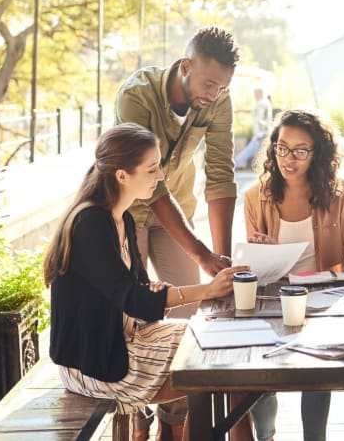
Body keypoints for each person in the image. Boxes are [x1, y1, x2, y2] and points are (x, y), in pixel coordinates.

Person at [43, 123, 248, 441]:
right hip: (95, 362)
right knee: (209, 364)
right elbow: (131, 297)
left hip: (123, 339)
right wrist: (206, 289)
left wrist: (151, 291)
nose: (160, 176)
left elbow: (137, 293)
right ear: (122, 175)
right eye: (152, 169)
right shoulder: (91, 223)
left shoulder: (121, 217)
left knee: (217, 347)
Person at [115, 25, 240, 437]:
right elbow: (152, 186)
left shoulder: (218, 101)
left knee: (188, 318)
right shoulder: (137, 96)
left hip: (176, 216)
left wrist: (224, 272)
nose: (213, 94)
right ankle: (136, 415)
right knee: (131, 314)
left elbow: (220, 176)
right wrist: (203, 254)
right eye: (208, 83)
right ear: (185, 66)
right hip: (128, 213)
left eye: (222, 87)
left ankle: (174, 425)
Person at [244, 109, 344, 441]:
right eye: (282, 147)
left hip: (321, 298)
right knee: (261, 368)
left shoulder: (339, 193)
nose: (289, 158)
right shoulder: (255, 196)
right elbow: (251, 267)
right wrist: (261, 249)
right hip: (271, 298)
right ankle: (266, 436)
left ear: (317, 154)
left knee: (316, 371)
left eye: (301, 150)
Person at [235, 86, 273, 171]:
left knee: (249, 151)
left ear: (259, 93)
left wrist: (262, 128)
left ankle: (234, 164)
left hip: (261, 134)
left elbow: (260, 118)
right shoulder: (263, 103)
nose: (254, 95)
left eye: (255, 93)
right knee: (262, 153)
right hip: (262, 133)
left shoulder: (261, 104)